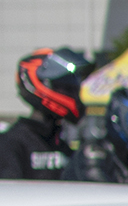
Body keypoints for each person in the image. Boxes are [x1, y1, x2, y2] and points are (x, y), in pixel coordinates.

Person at [0, 47, 89, 180]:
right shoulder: (12, 143)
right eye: (66, 88)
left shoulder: (62, 142)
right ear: (42, 85)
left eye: (74, 88)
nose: (73, 95)